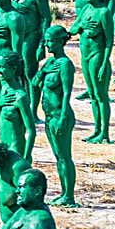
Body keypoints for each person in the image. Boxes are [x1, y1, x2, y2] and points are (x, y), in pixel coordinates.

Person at [31, 25, 77, 206]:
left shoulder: (65, 65)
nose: (46, 44)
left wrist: (63, 118)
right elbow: (34, 83)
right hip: (49, 116)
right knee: (58, 156)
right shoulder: (50, 63)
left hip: (60, 115)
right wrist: (43, 71)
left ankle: (69, 196)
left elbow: (67, 93)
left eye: (49, 41)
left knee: (65, 156)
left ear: (59, 42)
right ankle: (64, 192)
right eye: (46, 41)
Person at [70, 0, 114, 144]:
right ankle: (96, 129)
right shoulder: (86, 9)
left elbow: (109, 40)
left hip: (97, 55)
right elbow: (73, 29)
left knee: (101, 95)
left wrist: (104, 63)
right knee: (93, 95)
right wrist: (82, 25)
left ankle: (105, 132)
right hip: (85, 55)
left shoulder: (104, 12)